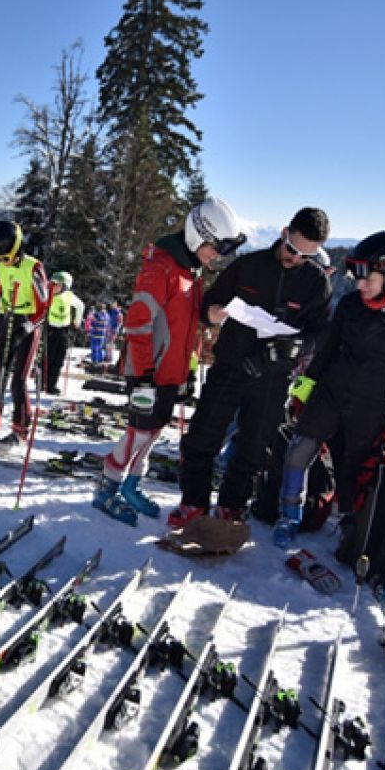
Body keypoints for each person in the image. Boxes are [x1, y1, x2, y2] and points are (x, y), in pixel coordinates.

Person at [169, 207, 333, 540]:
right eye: (292, 249)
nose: (296, 258)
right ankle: (194, 502)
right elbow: (210, 303)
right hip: (231, 365)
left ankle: (231, 506)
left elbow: (321, 333)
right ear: (285, 233)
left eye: (307, 255)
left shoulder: (316, 282)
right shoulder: (249, 265)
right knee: (204, 436)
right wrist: (213, 314)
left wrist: (299, 345)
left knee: (254, 447)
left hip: (274, 376)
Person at [271, 230, 385, 546]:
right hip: (332, 392)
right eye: (356, 278)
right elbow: (327, 351)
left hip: (373, 405)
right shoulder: (351, 305)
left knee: (354, 471)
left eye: (367, 279)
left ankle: (351, 525)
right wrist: (304, 389)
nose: (360, 286)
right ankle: (288, 515)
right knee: (298, 450)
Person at [92, 197, 246, 526]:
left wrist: (186, 373)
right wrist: (145, 374)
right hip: (148, 370)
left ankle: (131, 483)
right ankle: (107, 487)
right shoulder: (161, 268)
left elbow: (187, 328)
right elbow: (136, 323)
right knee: (138, 431)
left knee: (153, 431)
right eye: (215, 248)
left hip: (169, 371)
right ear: (197, 235)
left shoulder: (190, 273)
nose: (217, 257)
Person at [0, 219, 49, 455]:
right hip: (7, 321)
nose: (2, 261)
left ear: (16, 247)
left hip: (28, 325)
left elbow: (43, 308)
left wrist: (27, 327)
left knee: (18, 379)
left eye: (5, 256)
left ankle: (20, 432)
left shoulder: (33, 267)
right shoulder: (3, 268)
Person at [44, 271, 85, 395]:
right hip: (50, 329)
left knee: (59, 359)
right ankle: (43, 382)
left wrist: (77, 321)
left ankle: (52, 385)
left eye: (58, 285)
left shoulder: (69, 295)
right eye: (53, 284)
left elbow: (80, 306)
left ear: (65, 286)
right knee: (48, 357)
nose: (55, 287)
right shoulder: (47, 294)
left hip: (63, 330)